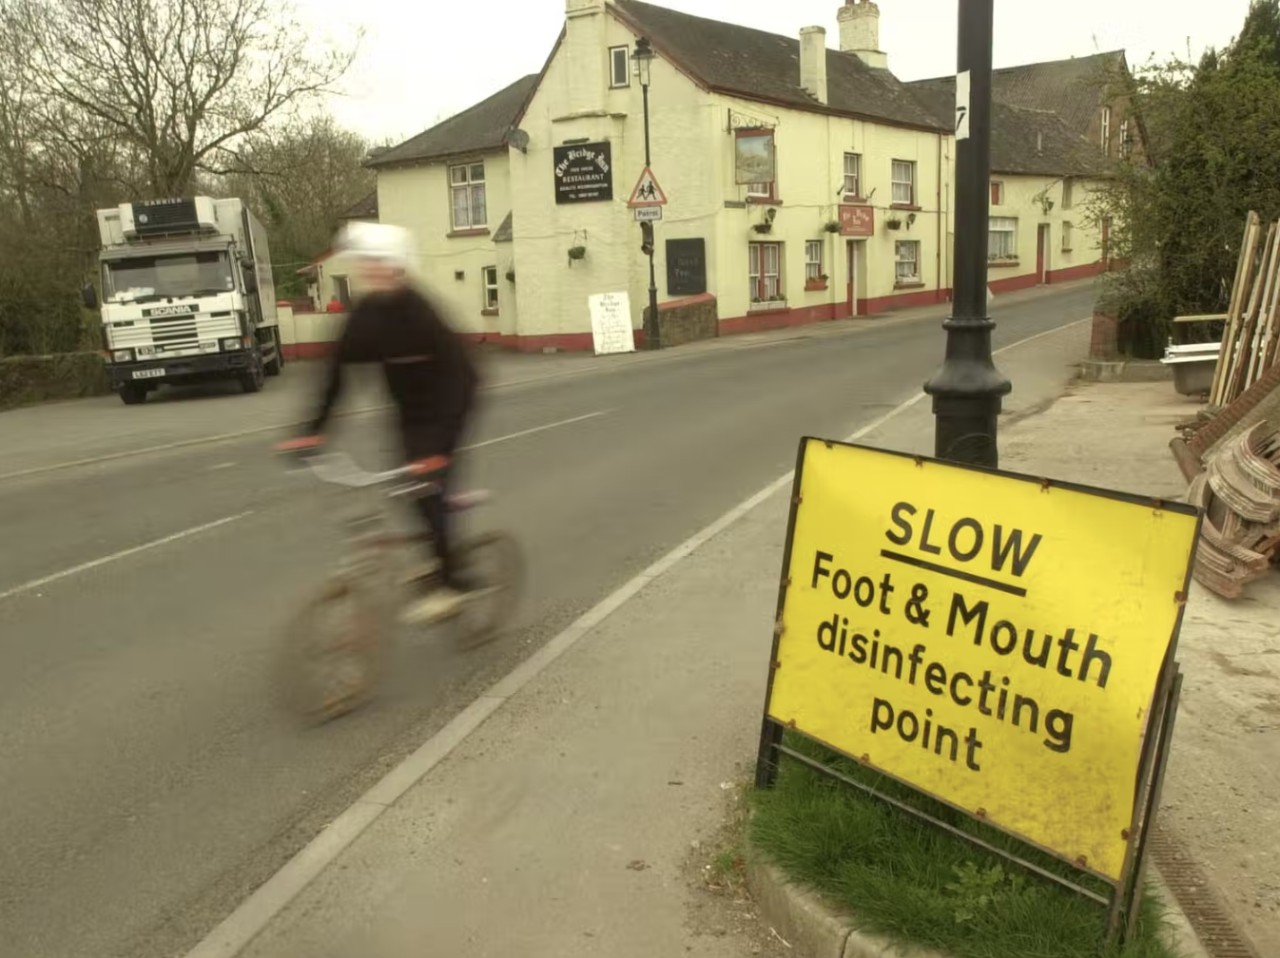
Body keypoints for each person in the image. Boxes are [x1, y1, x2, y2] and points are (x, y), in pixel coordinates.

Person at [276, 222, 481, 623]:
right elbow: (335, 375)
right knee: (402, 489)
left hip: (446, 411)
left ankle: (451, 585)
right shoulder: (365, 316)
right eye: (365, 263)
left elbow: (463, 380)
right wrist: (310, 432)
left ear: (398, 267)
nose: (370, 271)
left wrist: (440, 450)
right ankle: (431, 554)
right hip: (406, 417)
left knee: (428, 493)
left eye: (379, 263)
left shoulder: (422, 316)